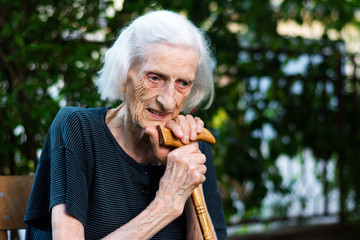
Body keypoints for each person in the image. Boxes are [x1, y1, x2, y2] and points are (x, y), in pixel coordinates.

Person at [25, 10, 227, 239]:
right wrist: (166, 204)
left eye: (183, 83)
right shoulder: (77, 129)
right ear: (123, 75)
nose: (167, 100)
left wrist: (188, 179)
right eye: (155, 77)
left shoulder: (190, 144)